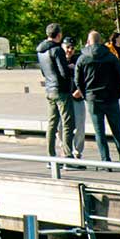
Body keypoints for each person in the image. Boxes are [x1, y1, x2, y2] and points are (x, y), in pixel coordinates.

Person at [76, 30, 120, 165]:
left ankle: (105, 161)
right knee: (117, 130)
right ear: (101, 41)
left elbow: (78, 80)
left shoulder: (82, 58)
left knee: (99, 132)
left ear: (88, 42)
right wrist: (118, 92)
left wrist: (85, 95)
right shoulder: (110, 57)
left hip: (93, 98)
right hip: (111, 97)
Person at [37, 23, 77, 158]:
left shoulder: (41, 50)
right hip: (61, 90)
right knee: (68, 123)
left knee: (52, 124)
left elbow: (43, 71)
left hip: (49, 89)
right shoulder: (57, 50)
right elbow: (63, 72)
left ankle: (50, 156)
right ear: (59, 35)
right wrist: (71, 68)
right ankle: (67, 156)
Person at [64, 37, 85, 159]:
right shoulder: (59, 59)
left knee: (79, 127)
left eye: (72, 48)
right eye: (67, 47)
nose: (70, 50)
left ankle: (77, 152)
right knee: (62, 127)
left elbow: (86, 76)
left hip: (77, 97)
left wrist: (80, 90)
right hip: (64, 97)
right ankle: (65, 149)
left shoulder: (79, 59)